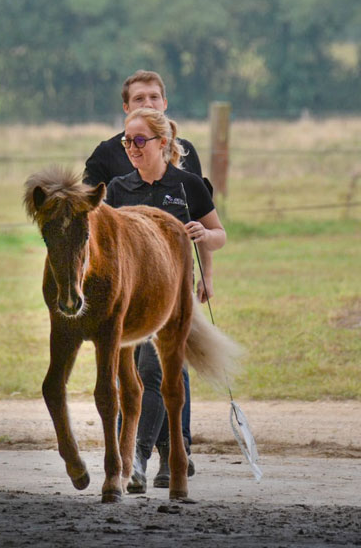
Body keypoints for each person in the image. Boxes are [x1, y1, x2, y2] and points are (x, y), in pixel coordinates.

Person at [83, 70, 212, 490]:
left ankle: (164, 451)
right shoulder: (111, 165)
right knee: (133, 369)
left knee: (163, 369)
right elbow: (92, 221)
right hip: (128, 285)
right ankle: (148, 452)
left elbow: (207, 223)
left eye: (154, 96)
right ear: (125, 107)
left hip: (169, 282)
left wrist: (206, 269)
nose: (147, 103)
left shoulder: (186, 165)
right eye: (139, 97)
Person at [105, 107, 226, 493]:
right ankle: (157, 456)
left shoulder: (188, 184)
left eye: (140, 141)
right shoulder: (118, 189)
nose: (132, 148)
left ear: (163, 143)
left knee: (154, 372)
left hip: (171, 294)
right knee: (131, 376)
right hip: (129, 295)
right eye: (127, 141)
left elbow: (219, 233)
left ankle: (138, 457)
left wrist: (204, 247)